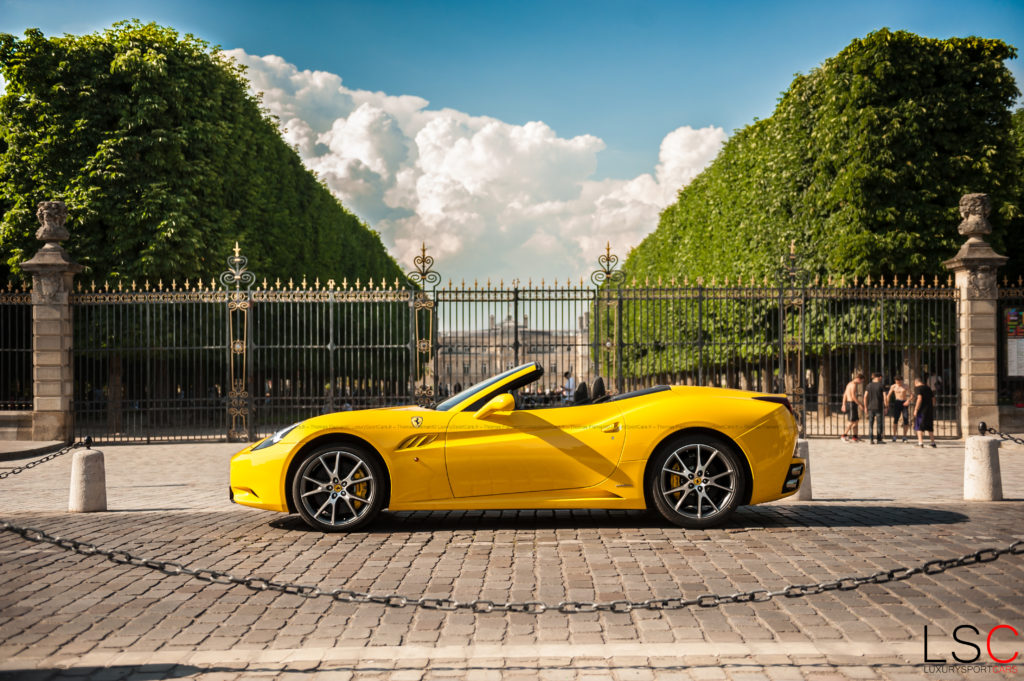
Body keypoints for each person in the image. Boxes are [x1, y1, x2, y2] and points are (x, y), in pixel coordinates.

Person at [912, 375, 936, 448]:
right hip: (929, 410)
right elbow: (933, 399)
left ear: (916, 382)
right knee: (929, 426)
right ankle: (933, 443)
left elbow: (919, 398)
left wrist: (916, 409)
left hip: (922, 410)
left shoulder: (917, 388)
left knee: (919, 426)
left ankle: (920, 443)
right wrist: (932, 406)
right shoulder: (928, 388)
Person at [840, 373, 865, 442]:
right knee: (851, 421)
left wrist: (843, 404)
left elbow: (845, 394)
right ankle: (844, 435)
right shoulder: (853, 385)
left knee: (856, 420)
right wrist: (860, 404)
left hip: (850, 403)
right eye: (861, 381)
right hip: (851, 404)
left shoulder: (849, 384)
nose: (861, 383)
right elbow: (853, 396)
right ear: (859, 379)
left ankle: (855, 437)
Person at [886, 375, 911, 442]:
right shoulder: (893, 386)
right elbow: (888, 395)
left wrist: (908, 400)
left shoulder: (905, 386)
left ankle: (904, 436)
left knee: (905, 419)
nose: (898, 383)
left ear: (901, 381)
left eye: (899, 382)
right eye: (897, 382)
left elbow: (912, 395)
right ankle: (894, 435)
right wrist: (887, 404)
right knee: (895, 419)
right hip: (897, 402)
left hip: (904, 402)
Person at [864, 372, 885, 444]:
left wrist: (865, 407)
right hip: (879, 407)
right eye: (881, 377)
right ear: (878, 377)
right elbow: (885, 396)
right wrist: (886, 406)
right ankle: (879, 439)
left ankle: (871, 439)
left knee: (871, 423)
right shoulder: (881, 385)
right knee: (879, 424)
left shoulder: (869, 385)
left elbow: (865, 397)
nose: (881, 379)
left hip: (870, 407)